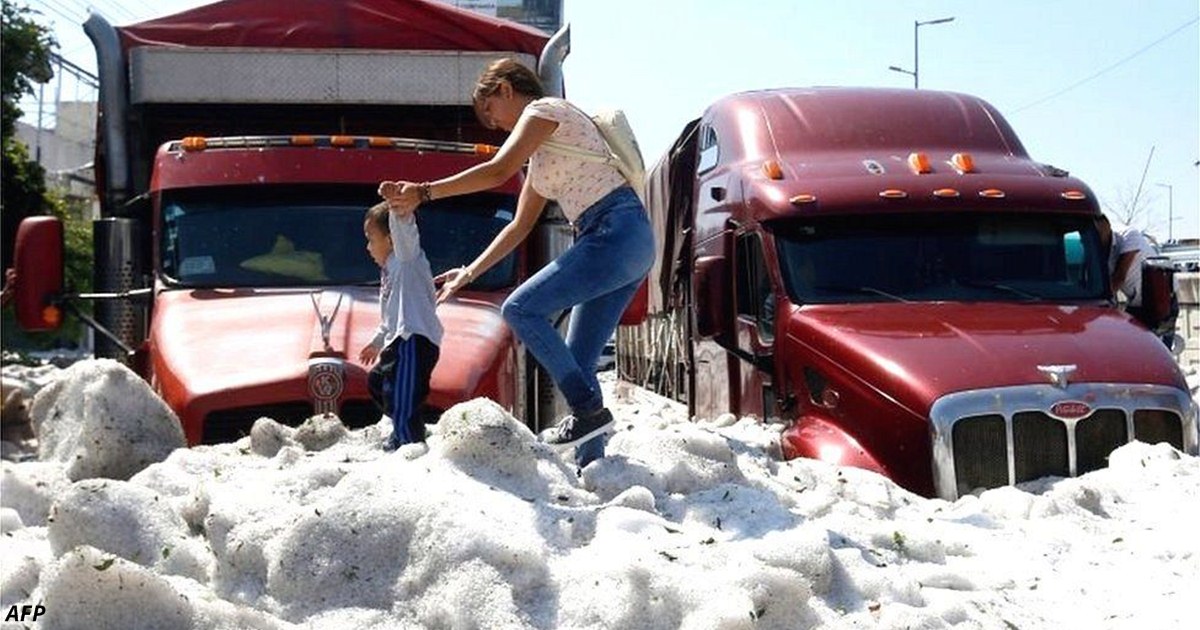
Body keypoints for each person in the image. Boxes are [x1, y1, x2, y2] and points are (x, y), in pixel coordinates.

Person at [378, 57, 654, 458]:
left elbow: (496, 170)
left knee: (520, 309)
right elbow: (518, 227)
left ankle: (589, 412)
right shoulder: (542, 162)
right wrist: (469, 272)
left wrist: (423, 191)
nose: (497, 126)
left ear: (506, 88)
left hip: (614, 230)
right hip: (625, 241)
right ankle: (591, 463)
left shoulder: (546, 110)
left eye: (492, 112)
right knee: (578, 361)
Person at [359, 201, 443, 451]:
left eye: (371, 239)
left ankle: (407, 441)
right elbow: (389, 317)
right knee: (377, 382)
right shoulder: (388, 271)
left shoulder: (406, 260)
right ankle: (410, 427)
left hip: (413, 339)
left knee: (403, 396)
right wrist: (376, 342)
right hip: (396, 341)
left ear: (392, 239)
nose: (368, 247)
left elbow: (405, 230)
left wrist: (398, 208)